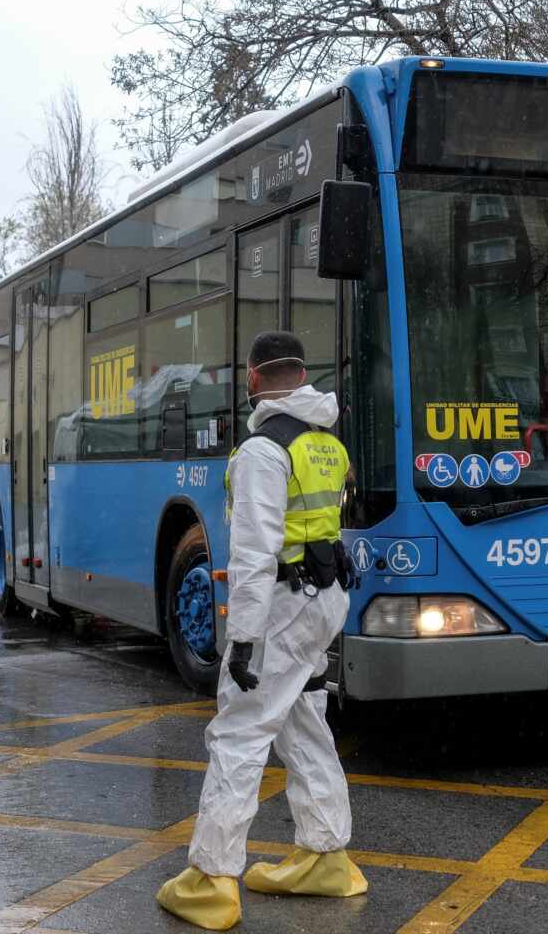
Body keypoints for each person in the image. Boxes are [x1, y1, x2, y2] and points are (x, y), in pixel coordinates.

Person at [157, 332, 366, 931]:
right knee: (304, 722)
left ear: (253, 380)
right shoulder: (327, 441)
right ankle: (326, 856)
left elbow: (253, 555)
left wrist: (240, 639)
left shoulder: (261, 451)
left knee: (240, 732)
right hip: (323, 599)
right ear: (302, 375)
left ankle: (212, 880)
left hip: (280, 608)